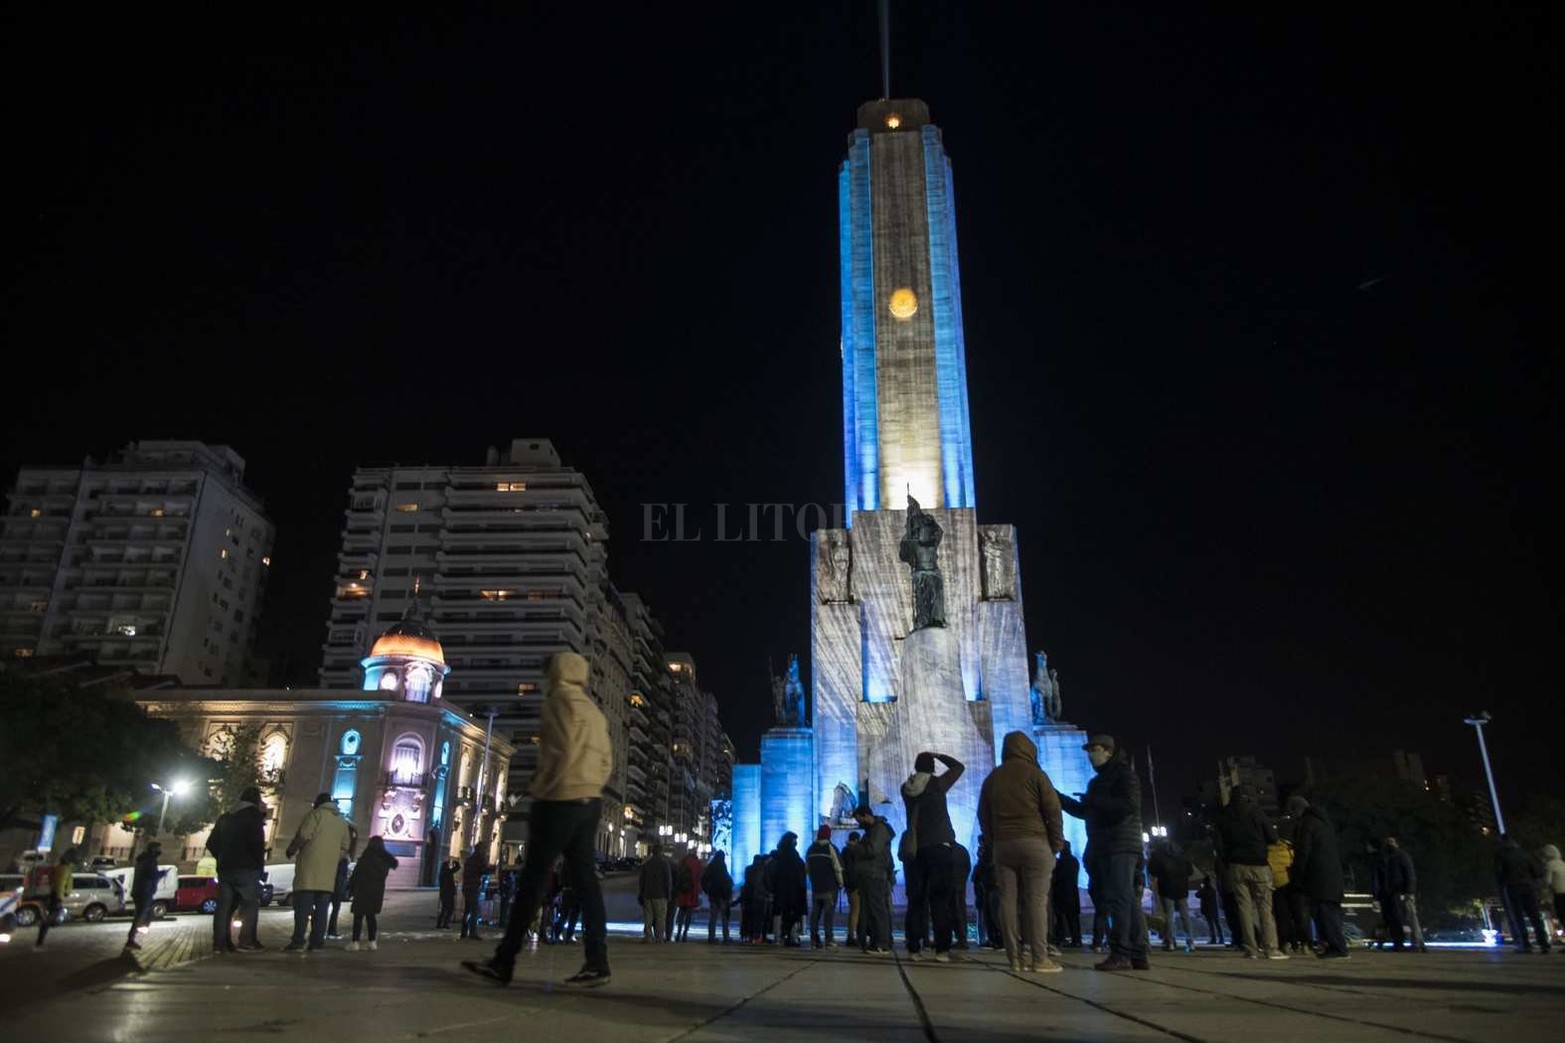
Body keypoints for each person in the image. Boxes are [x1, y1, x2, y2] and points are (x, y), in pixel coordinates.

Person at [463, 651, 615, 988]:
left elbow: (558, 754)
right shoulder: (594, 712)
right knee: (587, 884)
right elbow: (607, 761)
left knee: (532, 882)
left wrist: (539, 790)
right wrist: (590, 786)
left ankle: (504, 961)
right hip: (590, 801)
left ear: (556, 675)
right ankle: (598, 961)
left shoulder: (558, 703)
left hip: (558, 800)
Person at [1059, 735, 1149, 971]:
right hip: (1106, 844)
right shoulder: (1099, 781)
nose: (1090, 755)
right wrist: (1058, 798)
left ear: (1108, 751)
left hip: (1120, 844)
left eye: (1094, 750)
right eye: (1089, 750)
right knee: (1127, 899)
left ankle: (1121, 953)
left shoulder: (1124, 775)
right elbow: (1085, 812)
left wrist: (1094, 800)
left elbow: (1128, 807)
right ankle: (1139, 953)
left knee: (1119, 898)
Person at [978, 730, 1065, 974]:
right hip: (1035, 843)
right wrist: (1055, 844)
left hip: (1004, 847)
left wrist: (994, 842)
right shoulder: (1036, 774)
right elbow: (1053, 811)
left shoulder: (992, 778)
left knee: (1007, 901)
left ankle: (1014, 958)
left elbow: (983, 816)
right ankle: (1040, 958)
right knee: (1036, 902)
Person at [901, 750, 966, 960]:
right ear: (932, 767)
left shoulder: (906, 788)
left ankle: (913, 948)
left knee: (916, 900)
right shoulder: (938, 784)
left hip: (916, 849)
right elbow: (959, 767)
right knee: (940, 899)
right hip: (939, 847)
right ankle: (942, 949)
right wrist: (939, 755)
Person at [1214, 784, 1286, 960]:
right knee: (1264, 906)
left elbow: (1218, 841)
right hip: (1258, 863)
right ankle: (1271, 948)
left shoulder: (1225, 814)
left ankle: (1250, 948)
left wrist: (1227, 858)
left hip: (1236, 865)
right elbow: (1272, 836)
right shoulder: (1256, 811)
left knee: (1243, 907)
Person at [283, 793, 352, 953]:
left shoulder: (315, 815)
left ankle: (298, 941)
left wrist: (292, 849)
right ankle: (317, 942)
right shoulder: (341, 821)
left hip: (308, 870)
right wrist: (334, 857)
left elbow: (303, 835)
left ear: (318, 803)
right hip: (328, 874)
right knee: (322, 911)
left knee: (302, 909)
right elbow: (345, 846)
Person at [1285, 795, 1349, 959]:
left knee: (1324, 913)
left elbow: (1303, 852)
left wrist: (1297, 874)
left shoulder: (1306, 824)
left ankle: (1337, 948)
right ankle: (1335, 946)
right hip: (1332, 875)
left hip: (1318, 876)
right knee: (1330, 912)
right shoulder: (1323, 822)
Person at [210, 785, 267, 954]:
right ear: (256, 800)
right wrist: (259, 865)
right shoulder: (253, 817)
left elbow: (211, 842)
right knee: (250, 904)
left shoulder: (225, 817)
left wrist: (221, 857)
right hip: (247, 868)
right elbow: (257, 844)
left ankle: (220, 943)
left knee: (224, 907)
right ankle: (247, 940)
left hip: (225, 868)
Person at [851, 804, 895, 954]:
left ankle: (882, 943)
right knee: (872, 911)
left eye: (859, 820)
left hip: (873, 875)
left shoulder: (879, 829)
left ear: (867, 816)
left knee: (877, 910)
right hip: (870, 875)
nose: (859, 824)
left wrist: (856, 847)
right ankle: (877, 942)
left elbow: (872, 850)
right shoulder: (873, 830)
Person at [1495, 835, 1551, 953]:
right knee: (1534, 916)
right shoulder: (1525, 854)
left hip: (1512, 887)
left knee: (1518, 916)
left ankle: (1525, 944)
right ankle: (1543, 943)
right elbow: (1536, 872)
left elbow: (1499, 873)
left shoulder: (1502, 855)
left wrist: (1502, 884)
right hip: (1528, 886)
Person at [344, 835, 398, 951]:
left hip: (362, 891)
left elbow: (356, 875)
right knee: (371, 916)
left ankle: (355, 942)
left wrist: (349, 888)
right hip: (376, 893)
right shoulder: (385, 860)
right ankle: (372, 942)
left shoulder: (366, 857)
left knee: (358, 917)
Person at [1147, 838, 1195, 953]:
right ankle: (1190, 941)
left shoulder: (1158, 855)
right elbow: (1190, 871)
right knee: (1185, 915)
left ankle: (1170, 941)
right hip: (1182, 887)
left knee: (1169, 915)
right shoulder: (1181, 855)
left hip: (1167, 887)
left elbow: (1152, 871)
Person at [765, 832, 808, 946]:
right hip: (790, 889)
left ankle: (778, 937)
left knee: (779, 913)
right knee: (792, 913)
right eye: (794, 840)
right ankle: (791, 936)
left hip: (780, 889)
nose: (796, 842)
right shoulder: (794, 856)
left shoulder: (777, 855)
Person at [1383, 837, 1425, 952]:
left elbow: (1409, 874)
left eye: (1391, 842)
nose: (1389, 844)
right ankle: (1417, 942)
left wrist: (1409, 891)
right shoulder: (1395, 857)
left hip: (1402, 892)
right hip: (1398, 892)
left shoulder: (1399, 856)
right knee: (1408, 917)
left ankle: (1417, 942)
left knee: (1411, 916)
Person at [124, 841, 168, 951]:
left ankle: (133, 936)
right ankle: (131, 938)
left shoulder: (142, 860)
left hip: (140, 890)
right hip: (145, 891)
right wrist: (163, 873)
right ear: (153, 849)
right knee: (141, 915)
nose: (160, 851)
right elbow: (152, 875)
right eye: (158, 848)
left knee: (142, 914)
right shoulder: (150, 861)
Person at [806, 826, 844, 949]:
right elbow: (837, 868)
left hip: (816, 886)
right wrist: (841, 883)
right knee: (829, 914)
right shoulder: (830, 848)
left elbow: (807, 868)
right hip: (830, 886)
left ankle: (814, 940)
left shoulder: (811, 849)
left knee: (815, 914)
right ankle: (829, 939)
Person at [35, 847, 76, 947]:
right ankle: (41, 936)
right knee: (54, 917)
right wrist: (60, 896)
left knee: (51, 916)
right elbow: (61, 883)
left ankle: (41, 936)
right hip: (55, 896)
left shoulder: (57, 868)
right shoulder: (65, 869)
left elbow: (55, 882)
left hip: (50, 894)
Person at [1051, 840, 1083, 948]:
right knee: (1073, 919)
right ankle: (1076, 939)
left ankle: (1062, 938)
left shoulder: (1059, 863)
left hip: (1060, 894)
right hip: (1073, 893)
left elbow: (1055, 878)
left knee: (1061, 919)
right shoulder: (1074, 861)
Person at [639, 843, 673, 941]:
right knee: (660, 917)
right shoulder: (664, 864)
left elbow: (641, 880)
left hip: (647, 894)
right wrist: (668, 894)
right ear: (661, 852)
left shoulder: (646, 864)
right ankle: (659, 937)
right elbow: (668, 881)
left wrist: (642, 892)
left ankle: (648, 936)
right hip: (660, 895)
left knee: (648, 917)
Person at [972, 836, 1001, 948]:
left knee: (994, 914)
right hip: (986, 887)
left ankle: (997, 939)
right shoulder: (983, 861)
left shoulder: (989, 858)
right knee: (988, 914)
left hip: (991, 886)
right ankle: (992, 938)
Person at [702, 850, 734, 943]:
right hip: (723, 896)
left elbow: (703, 879)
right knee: (724, 918)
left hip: (713, 895)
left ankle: (711, 937)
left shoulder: (711, 867)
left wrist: (707, 890)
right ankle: (726, 937)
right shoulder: (723, 867)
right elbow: (727, 881)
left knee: (713, 918)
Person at [673, 847, 704, 942]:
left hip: (682, 891)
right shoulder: (698, 864)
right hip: (692, 892)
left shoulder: (683, 862)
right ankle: (685, 934)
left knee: (681, 913)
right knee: (689, 914)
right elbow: (699, 878)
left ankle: (678, 932)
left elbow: (677, 876)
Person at [839, 832, 864, 947]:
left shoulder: (844, 851)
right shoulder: (855, 851)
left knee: (853, 910)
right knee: (856, 910)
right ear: (857, 839)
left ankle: (851, 934)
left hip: (849, 884)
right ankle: (852, 935)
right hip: (856, 884)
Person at [459, 845, 489, 940]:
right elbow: (484, 870)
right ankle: (473, 933)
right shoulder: (478, 860)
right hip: (473, 887)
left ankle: (463, 932)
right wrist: (491, 868)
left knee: (467, 910)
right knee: (474, 910)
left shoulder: (469, 860)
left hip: (467, 887)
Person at [949, 841, 973, 950]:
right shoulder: (962, 850)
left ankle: (961, 939)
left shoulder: (948, 851)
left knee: (955, 913)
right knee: (961, 912)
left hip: (952, 884)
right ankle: (962, 939)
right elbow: (968, 867)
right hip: (961, 884)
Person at [1196, 875, 1224, 945]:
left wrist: (1201, 888)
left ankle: (1214, 939)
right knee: (1217, 925)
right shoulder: (1213, 890)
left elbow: (1197, 894)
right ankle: (1221, 939)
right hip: (1214, 910)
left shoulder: (1205, 890)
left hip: (1208, 911)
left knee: (1211, 926)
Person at [1544, 844, 1565, 933]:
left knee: (1563, 916)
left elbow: (1547, 882)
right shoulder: (1562, 863)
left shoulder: (1549, 865)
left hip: (1559, 894)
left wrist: (1545, 896)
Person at [436, 858, 459, 929]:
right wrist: (455, 861)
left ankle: (440, 924)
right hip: (448, 893)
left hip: (444, 893)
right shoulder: (448, 872)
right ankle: (445, 924)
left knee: (444, 909)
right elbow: (457, 867)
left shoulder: (442, 873)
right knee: (450, 909)